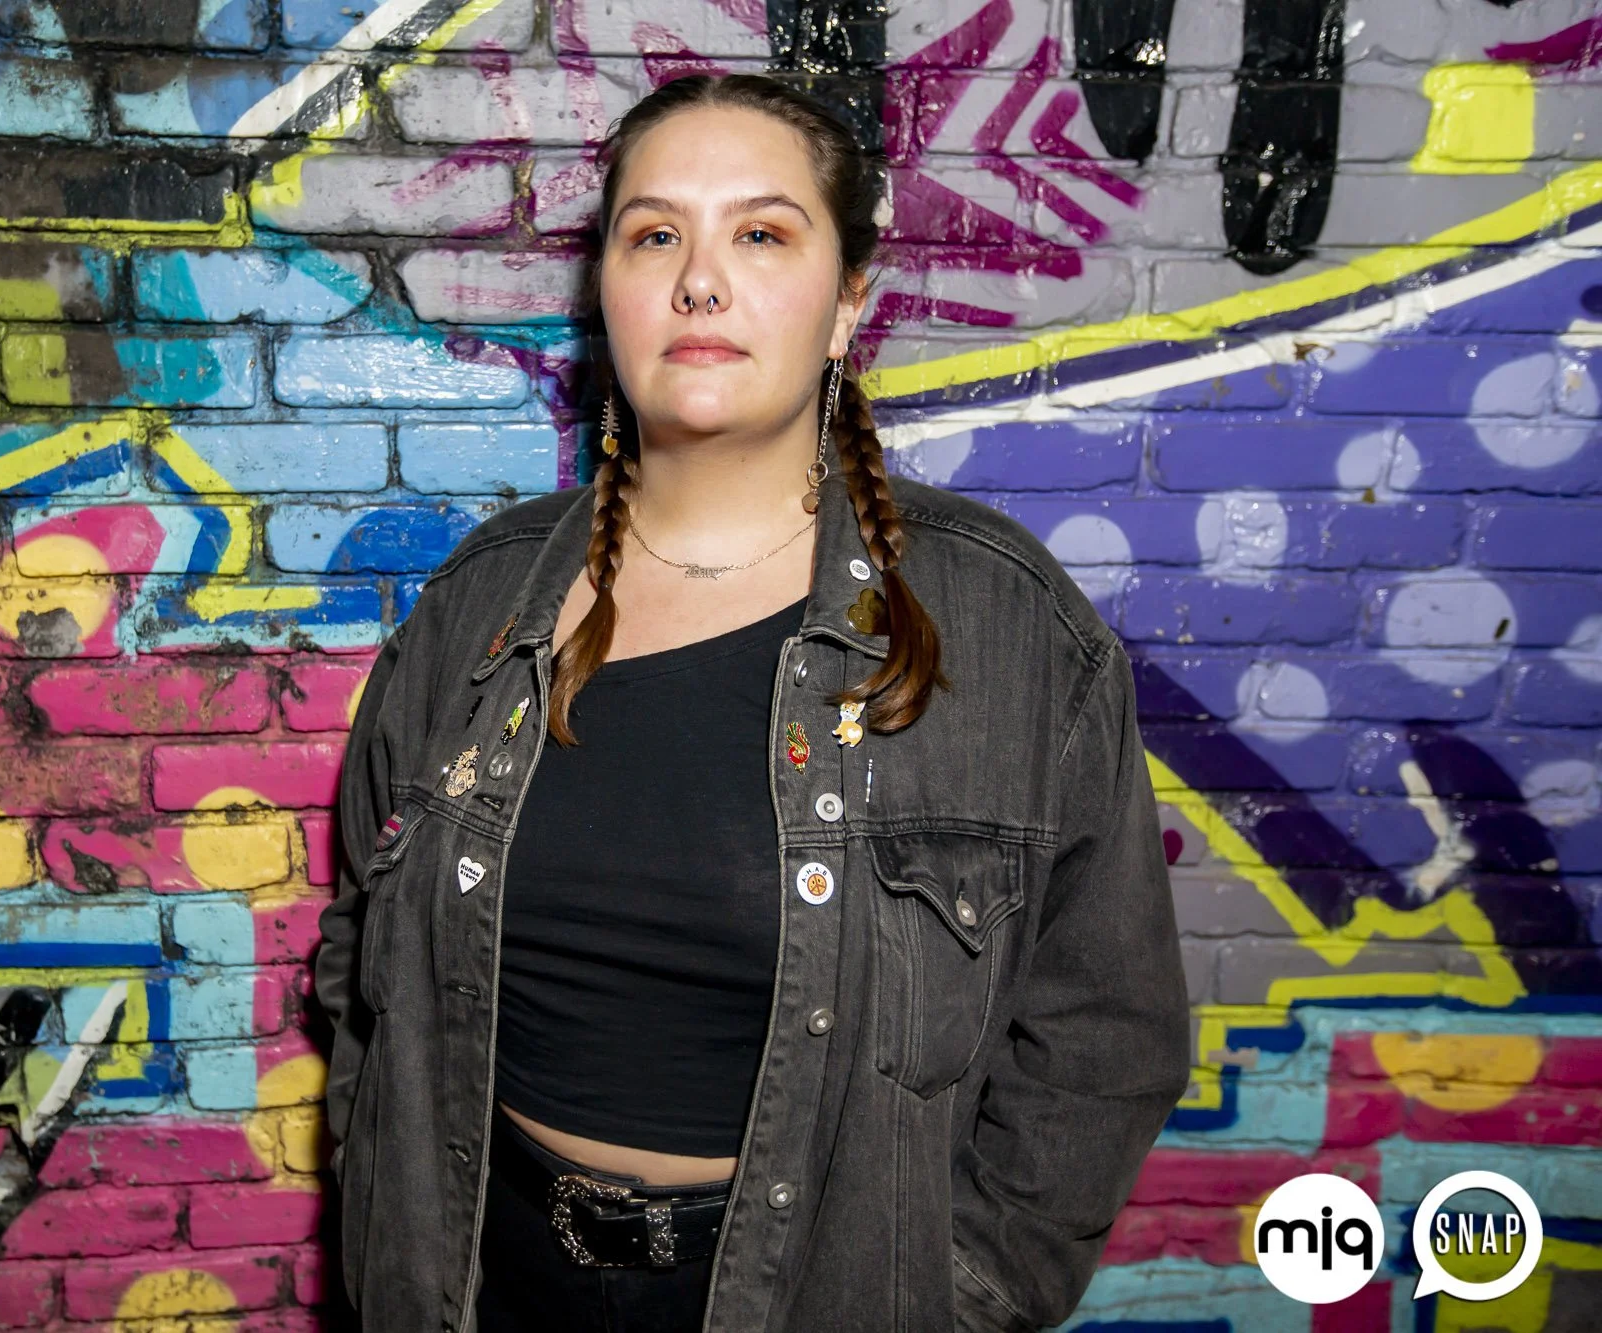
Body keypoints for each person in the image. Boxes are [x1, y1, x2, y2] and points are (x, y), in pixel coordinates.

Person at [313, 72, 1191, 1333]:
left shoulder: (1005, 628)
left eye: (762, 234)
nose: (698, 282)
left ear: (847, 305)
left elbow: (1103, 1033)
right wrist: (379, 1219)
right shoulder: (478, 603)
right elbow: (361, 958)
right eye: (653, 235)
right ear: (605, 290)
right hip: (471, 1285)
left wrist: (952, 1297)